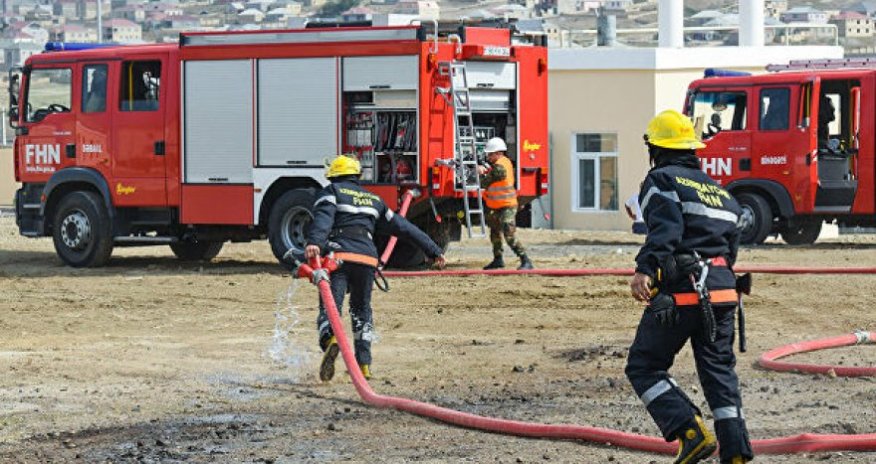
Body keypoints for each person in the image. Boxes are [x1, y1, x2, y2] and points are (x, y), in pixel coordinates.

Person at [625, 110, 753, 464]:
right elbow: (730, 251)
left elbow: (666, 232)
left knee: (644, 365)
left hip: (685, 294)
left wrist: (644, 270)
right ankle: (736, 453)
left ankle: (689, 431)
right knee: (719, 374)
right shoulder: (721, 193)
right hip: (725, 294)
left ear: (656, 147)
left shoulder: (661, 180)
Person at [305, 154, 446, 382]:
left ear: (334, 175)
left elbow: (323, 220)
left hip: (338, 257)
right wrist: (433, 250)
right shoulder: (373, 200)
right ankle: (364, 365)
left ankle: (330, 339)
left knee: (330, 306)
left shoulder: (331, 192)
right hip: (367, 261)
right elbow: (404, 228)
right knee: (361, 311)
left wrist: (315, 242)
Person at [477, 137, 534, 270]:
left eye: (490, 154)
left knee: (509, 234)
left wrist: (480, 173)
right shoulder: (501, 164)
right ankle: (498, 260)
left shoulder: (500, 167)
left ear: (498, 153)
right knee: (495, 233)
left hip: (506, 206)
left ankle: (525, 260)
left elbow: (485, 182)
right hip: (497, 206)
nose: (488, 157)